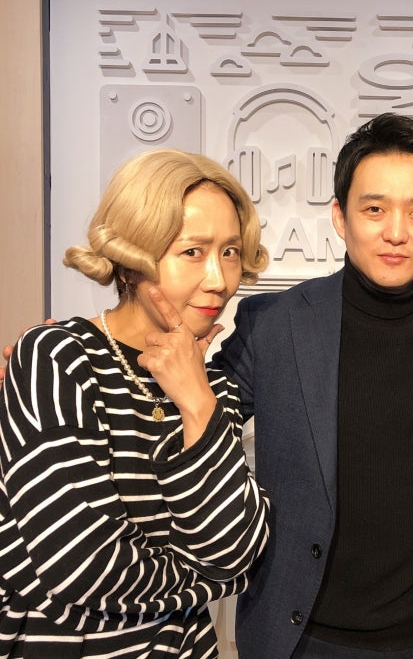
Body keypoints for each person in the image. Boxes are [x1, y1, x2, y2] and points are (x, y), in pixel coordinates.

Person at [209, 112, 413, 657]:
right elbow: (194, 423)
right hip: (306, 638)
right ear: (340, 217)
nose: (396, 232)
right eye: (375, 209)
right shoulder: (275, 323)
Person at [0, 150, 270, 658]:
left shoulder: (214, 387)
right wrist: (210, 580)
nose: (219, 279)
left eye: (231, 251)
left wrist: (196, 399)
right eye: (193, 251)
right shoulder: (58, 357)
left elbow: (235, 549)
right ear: (130, 260)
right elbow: (79, 565)